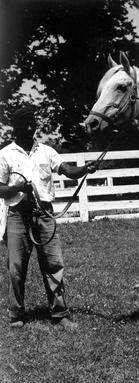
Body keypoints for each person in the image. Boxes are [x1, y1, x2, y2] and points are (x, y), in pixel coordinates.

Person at [0, 104, 98, 329]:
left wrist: (85, 169)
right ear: (15, 128)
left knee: (54, 264)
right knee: (16, 267)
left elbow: (67, 170)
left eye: (33, 122)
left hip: (44, 215)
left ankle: (60, 314)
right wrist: (18, 188)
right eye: (26, 123)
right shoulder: (5, 154)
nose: (32, 126)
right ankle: (16, 315)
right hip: (18, 216)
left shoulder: (46, 151)